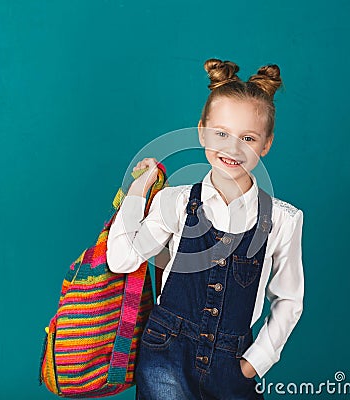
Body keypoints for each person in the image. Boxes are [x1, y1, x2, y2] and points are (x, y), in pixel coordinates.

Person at [107, 58, 304, 400]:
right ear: (201, 131)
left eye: (248, 137)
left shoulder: (283, 220)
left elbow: (289, 299)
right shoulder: (175, 203)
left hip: (233, 366)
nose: (233, 148)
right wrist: (141, 188)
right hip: (164, 356)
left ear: (266, 143)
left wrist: (255, 363)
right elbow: (122, 260)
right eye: (221, 134)